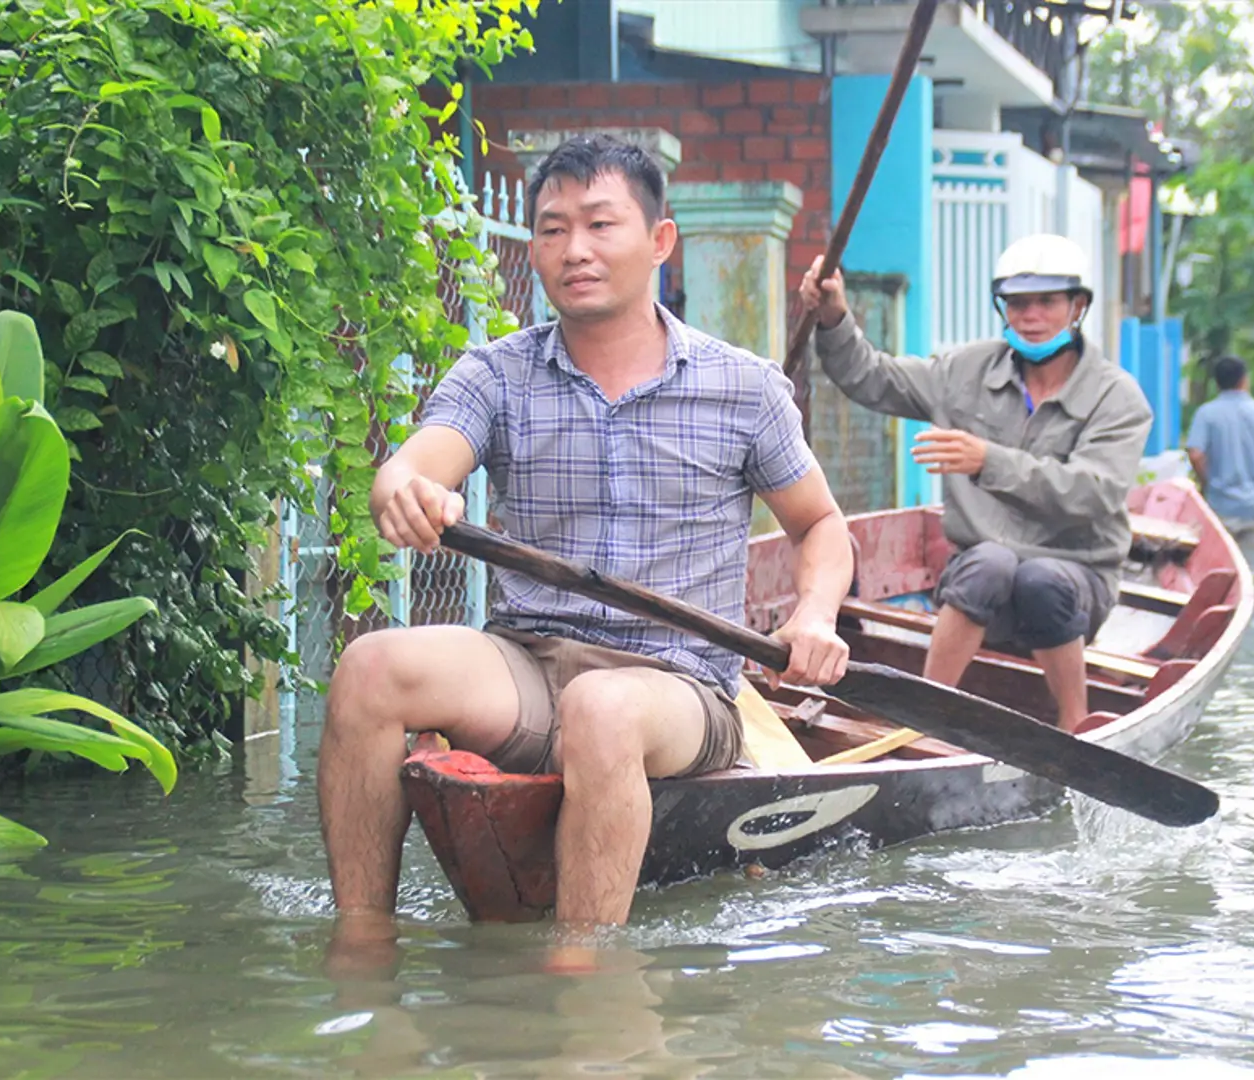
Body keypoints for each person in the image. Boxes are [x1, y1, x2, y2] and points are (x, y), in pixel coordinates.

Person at [318, 135, 854, 957]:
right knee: (368, 668)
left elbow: (818, 525)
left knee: (600, 710)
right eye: (552, 230)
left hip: (677, 687)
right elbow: (413, 466)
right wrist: (406, 492)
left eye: (600, 225)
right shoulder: (495, 374)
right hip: (527, 663)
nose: (575, 251)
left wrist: (814, 618)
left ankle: (583, 977)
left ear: (659, 241)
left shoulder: (741, 386)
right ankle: (359, 944)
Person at [798, 234, 1151, 733]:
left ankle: (1075, 721)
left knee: (1041, 578)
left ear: (1078, 307)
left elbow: (1095, 493)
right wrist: (834, 317)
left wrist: (988, 460)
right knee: (989, 562)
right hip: (981, 584)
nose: (1031, 316)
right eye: (1018, 303)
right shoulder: (965, 370)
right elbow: (872, 377)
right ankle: (926, 714)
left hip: (1076, 582)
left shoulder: (1117, 397)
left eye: (1047, 302)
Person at [1186, 355, 1254, 546]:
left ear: (1217, 383)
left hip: (1221, 505)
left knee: (1225, 563)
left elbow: (1195, 455)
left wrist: (1208, 483)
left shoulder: (1206, 414)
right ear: (1245, 379)